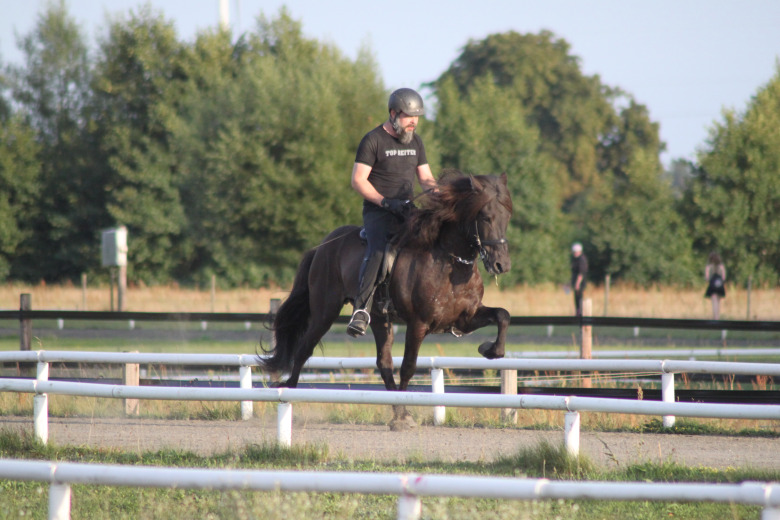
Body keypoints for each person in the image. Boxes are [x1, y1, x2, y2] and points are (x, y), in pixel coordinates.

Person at [346, 88, 438, 337]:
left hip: (408, 211)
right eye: (409, 116)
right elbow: (358, 180)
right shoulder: (373, 140)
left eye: (417, 117)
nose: (414, 122)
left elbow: (426, 178)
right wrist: (385, 202)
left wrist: (439, 194)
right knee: (378, 251)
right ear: (393, 113)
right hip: (379, 212)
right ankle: (361, 310)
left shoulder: (416, 141)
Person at [704, 251, 726, 319]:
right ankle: (718, 316)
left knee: (714, 302)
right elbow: (723, 277)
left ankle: (715, 317)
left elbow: (707, 278)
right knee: (718, 302)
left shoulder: (709, 267)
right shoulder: (721, 266)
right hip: (719, 286)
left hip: (712, 286)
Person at [570, 242, 588, 317]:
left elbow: (581, 273)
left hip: (580, 283)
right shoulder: (575, 259)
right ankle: (578, 312)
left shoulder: (581, 260)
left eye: (576, 252)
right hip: (576, 282)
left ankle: (580, 312)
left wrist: (577, 284)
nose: (575, 253)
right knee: (576, 298)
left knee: (579, 297)